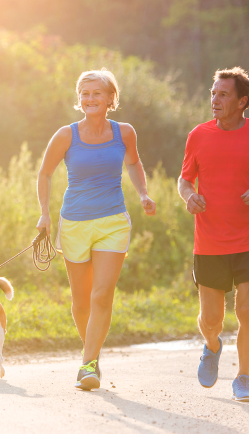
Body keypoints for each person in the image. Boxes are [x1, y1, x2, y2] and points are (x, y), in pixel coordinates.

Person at [36, 68, 156, 391]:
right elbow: (45, 174)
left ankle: (88, 365)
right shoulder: (66, 135)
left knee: (102, 294)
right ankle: (93, 354)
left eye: (97, 93)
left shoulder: (125, 133)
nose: (90, 99)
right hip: (74, 222)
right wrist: (44, 215)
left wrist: (143, 193)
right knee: (80, 302)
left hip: (113, 221)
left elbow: (133, 162)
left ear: (110, 99)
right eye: (85, 94)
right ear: (79, 99)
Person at [178, 67, 249, 402]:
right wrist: (189, 196)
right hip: (209, 239)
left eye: (223, 94)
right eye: (213, 93)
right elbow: (185, 179)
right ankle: (212, 346)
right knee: (211, 318)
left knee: (247, 310)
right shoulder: (197, 135)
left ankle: (243, 377)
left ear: (243, 101)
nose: (215, 99)